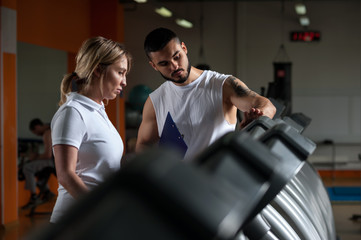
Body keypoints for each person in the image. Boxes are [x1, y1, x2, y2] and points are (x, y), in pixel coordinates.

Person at [136, 27, 276, 161]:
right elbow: (144, 144)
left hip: (217, 180)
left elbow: (267, 106)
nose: (174, 66)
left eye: (177, 57)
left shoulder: (222, 85)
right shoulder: (155, 101)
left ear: (184, 48)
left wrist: (258, 120)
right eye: (164, 63)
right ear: (154, 66)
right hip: (177, 183)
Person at [50, 36, 131, 223]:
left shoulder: (98, 111)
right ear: (97, 70)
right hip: (74, 221)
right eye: (120, 72)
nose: (124, 82)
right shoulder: (73, 112)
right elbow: (66, 175)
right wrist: (100, 209)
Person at [21, 118, 56, 209]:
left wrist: (34, 157)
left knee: (27, 168)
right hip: (57, 161)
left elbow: (48, 155)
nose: (36, 135)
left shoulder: (47, 133)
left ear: (37, 127)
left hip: (53, 162)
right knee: (38, 168)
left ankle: (34, 197)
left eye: (35, 132)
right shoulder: (53, 128)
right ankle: (47, 192)